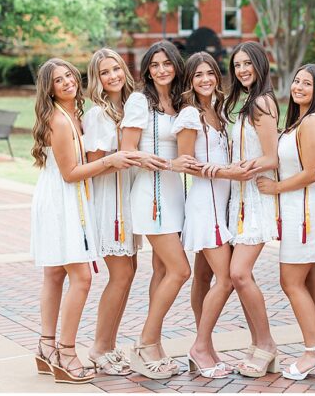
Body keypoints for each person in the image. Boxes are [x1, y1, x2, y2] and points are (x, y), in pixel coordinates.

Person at [30, 58, 141, 384]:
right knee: (81, 278)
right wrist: (113, 159)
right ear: (48, 89)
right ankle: (66, 353)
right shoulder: (61, 121)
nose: (66, 82)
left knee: (53, 274)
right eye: (57, 81)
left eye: (69, 76)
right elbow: (71, 174)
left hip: (58, 197)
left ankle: (45, 346)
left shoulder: (71, 115)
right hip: (63, 202)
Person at [81, 49, 164, 375]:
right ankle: (99, 347)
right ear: (96, 78)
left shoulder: (130, 107)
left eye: (116, 68)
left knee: (127, 274)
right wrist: (116, 159)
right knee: (122, 275)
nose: (113, 75)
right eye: (104, 72)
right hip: (108, 203)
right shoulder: (99, 115)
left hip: (128, 199)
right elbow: (90, 167)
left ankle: (109, 345)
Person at [121, 41, 201, 379]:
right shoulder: (140, 101)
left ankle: (154, 346)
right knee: (181, 271)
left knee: (161, 272)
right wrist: (166, 164)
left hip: (174, 196)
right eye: (154, 65)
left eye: (166, 63)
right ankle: (145, 342)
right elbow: (127, 150)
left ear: (176, 66)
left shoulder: (181, 102)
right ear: (147, 70)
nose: (161, 70)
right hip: (150, 195)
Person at [257, 63, 315, 381]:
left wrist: (275, 187)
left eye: (308, 83)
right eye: (297, 81)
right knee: (312, 281)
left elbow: (310, 172)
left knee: (290, 281)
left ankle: (313, 351)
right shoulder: (299, 121)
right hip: (299, 207)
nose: (299, 87)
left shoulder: (312, 124)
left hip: (308, 210)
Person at [175, 52, 235, 378]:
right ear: (190, 80)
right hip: (205, 204)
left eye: (209, 73)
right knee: (226, 280)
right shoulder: (189, 115)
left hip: (222, 203)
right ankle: (200, 346)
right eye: (198, 75)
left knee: (204, 277)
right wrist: (224, 172)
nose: (205, 80)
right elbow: (185, 162)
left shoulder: (220, 111)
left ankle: (206, 346)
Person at [222, 41, 281, 377]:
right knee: (241, 276)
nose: (242, 70)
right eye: (238, 65)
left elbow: (271, 158)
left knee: (239, 273)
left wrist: (241, 167)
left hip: (256, 197)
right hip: (239, 197)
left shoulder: (261, 102)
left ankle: (267, 344)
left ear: (261, 65)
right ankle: (260, 344)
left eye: (248, 64)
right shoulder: (248, 101)